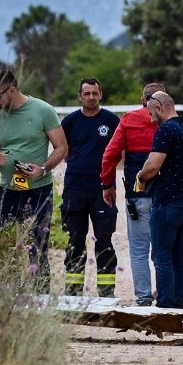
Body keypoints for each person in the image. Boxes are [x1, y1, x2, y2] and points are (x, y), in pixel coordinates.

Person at [0, 69, 68, 291]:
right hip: (7, 191)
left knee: (38, 247)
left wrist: (43, 168)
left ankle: (41, 296)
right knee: (5, 246)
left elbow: (61, 147)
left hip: (38, 190)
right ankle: (7, 297)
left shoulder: (43, 110)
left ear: (12, 90)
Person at [100, 82, 164, 306]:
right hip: (165, 197)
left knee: (138, 250)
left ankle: (143, 297)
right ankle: (164, 294)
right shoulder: (172, 121)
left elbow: (110, 155)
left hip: (136, 196)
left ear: (142, 99)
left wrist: (107, 185)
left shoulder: (128, 120)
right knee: (162, 249)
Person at [135, 91, 183, 309]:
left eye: (151, 113)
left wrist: (140, 177)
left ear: (160, 107)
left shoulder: (166, 130)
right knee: (179, 258)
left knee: (162, 258)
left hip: (167, 204)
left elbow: (153, 166)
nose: (151, 118)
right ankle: (177, 307)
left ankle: (165, 307)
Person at [61, 78, 120, 297]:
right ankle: (73, 292)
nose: (91, 97)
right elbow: (63, 150)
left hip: (103, 191)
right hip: (74, 190)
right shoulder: (70, 122)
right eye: (87, 94)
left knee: (104, 241)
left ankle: (106, 292)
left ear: (101, 95)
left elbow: (119, 152)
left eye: (95, 93)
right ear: (80, 96)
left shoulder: (112, 121)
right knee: (75, 241)